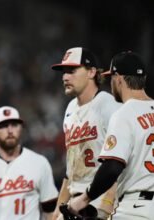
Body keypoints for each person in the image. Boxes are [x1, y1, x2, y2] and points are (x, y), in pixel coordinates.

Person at [68, 51, 154, 220]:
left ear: (118, 79)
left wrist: (84, 198)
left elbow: (112, 167)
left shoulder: (124, 113)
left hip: (135, 209)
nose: (111, 83)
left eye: (111, 78)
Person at [51, 47, 121, 219]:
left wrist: (105, 208)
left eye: (72, 71)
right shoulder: (70, 109)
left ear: (91, 72)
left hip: (100, 198)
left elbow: (119, 163)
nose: (65, 77)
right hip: (75, 201)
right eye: (64, 72)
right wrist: (55, 212)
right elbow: (71, 170)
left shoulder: (109, 106)